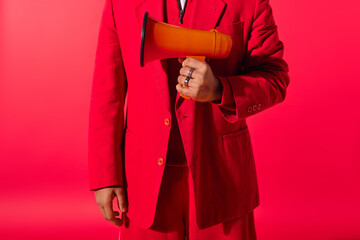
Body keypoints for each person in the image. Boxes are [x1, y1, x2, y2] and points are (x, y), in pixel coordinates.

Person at [88, 0, 289, 239]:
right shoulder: (118, 3)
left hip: (222, 179)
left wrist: (219, 89)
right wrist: (105, 176)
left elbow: (275, 78)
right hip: (144, 181)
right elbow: (107, 90)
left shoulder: (250, 2)